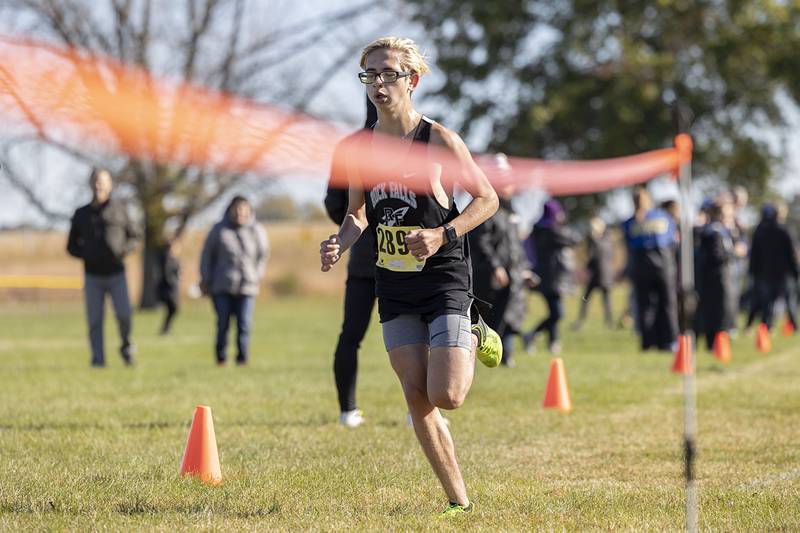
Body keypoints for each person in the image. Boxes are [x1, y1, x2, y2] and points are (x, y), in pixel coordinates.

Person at [319, 36, 501, 516]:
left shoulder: (437, 140)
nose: (378, 84)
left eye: (388, 74)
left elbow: (487, 199)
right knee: (417, 394)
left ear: (412, 80)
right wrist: (341, 241)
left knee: (448, 395)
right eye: (370, 75)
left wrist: (443, 234)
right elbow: (358, 213)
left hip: (443, 276)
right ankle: (458, 503)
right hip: (394, 281)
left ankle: (474, 325)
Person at [324, 97, 379, 428]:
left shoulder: (349, 146)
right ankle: (419, 411)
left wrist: (349, 225)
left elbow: (333, 202)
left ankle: (348, 411)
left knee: (351, 336)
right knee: (416, 336)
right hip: (406, 257)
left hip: (361, 255)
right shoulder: (416, 141)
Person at [67, 168, 139, 367]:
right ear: (91, 184)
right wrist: (87, 255)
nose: (99, 184)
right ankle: (98, 360)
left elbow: (135, 236)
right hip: (92, 276)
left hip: (117, 273)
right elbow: (71, 246)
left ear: (110, 185)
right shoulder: (81, 214)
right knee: (95, 321)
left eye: (102, 181)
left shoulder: (120, 209)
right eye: (95, 181)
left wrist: (123, 251)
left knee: (124, 315)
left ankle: (127, 349)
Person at [470, 155, 536, 368]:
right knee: (491, 317)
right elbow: (481, 241)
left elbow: (515, 246)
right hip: (490, 276)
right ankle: (490, 355)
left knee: (510, 314)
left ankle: (506, 356)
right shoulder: (485, 208)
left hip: (511, 274)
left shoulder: (512, 211)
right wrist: (495, 266)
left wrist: (524, 270)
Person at [200, 196, 269, 366]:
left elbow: (263, 255)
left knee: (244, 324)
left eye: (243, 208)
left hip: (247, 286)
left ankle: (242, 358)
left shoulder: (256, 230)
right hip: (222, 285)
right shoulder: (218, 230)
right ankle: (221, 358)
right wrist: (206, 279)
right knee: (222, 323)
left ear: (249, 210)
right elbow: (207, 256)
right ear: (230, 209)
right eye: (236, 208)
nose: (240, 212)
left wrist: (257, 275)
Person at [621, 187, 678, 352]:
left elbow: (629, 245)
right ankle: (668, 341)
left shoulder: (628, 223)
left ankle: (647, 342)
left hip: (641, 268)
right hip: (664, 267)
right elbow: (672, 242)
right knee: (667, 305)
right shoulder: (663, 217)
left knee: (645, 306)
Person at [521, 199, 578, 355]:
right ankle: (531, 334)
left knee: (553, 311)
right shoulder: (550, 230)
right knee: (558, 313)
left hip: (549, 277)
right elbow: (573, 238)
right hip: (551, 279)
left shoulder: (538, 229)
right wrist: (563, 222)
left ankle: (553, 342)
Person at [745, 202, 799, 331]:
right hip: (783, 273)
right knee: (789, 300)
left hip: (765, 273)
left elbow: (754, 255)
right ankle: (794, 326)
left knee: (766, 302)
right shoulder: (784, 230)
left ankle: (767, 326)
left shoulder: (760, 231)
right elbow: (791, 253)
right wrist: (795, 271)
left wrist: (753, 272)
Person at [695, 200, 738, 350]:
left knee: (719, 310)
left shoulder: (719, 230)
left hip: (717, 277)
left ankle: (717, 342)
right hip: (716, 278)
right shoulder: (714, 232)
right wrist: (733, 253)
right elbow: (716, 255)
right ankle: (715, 343)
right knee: (718, 311)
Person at [572, 216, 614, 331]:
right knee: (606, 300)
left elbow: (593, 257)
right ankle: (609, 322)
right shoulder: (608, 240)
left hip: (597, 276)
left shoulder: (596, 241)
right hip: (607, 275)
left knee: (586, 298)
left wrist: (586, 267)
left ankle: (581, 321)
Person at [158, 237, 181, 335]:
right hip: (168, 288)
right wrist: (172, 282)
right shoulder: (166, 258)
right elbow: (167, 273)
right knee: (173, 308)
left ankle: (166, 328)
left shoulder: (173, 258)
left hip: (173, 287)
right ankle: (166, 328)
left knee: (172, 309)